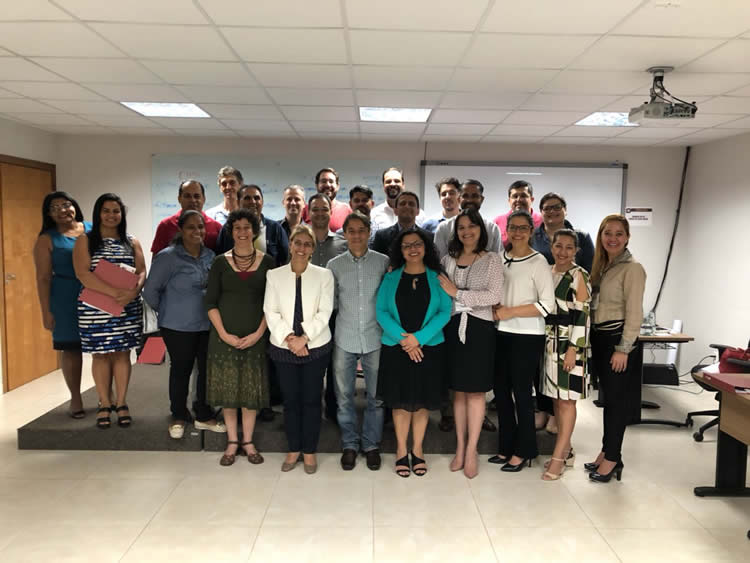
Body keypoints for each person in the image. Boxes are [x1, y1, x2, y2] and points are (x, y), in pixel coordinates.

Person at [143, 210, 226, 439]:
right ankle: (178, 415)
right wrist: (167, 310)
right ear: (180, 230)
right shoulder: (167, 257)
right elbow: (150, 291)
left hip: (206, 324)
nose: (197, 231)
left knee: (206, 371)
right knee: (181, 370)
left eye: (200, 227)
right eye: (191, 227)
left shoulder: (210, 256)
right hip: (177, 326)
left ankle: (203, 414)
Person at [376, 229, 451, 477]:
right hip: (396, 349)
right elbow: (381, 312)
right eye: (407, 245)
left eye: (417, 244)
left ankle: (417, 449)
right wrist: (405, 340)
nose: (413, 249)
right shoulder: (390, 277)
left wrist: (418, 338)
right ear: (400, 250)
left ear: (426, 247)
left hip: (429, 348)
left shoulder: (437, 277)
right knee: (399, 402)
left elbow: (445, 311)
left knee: (421, 402)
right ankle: (401, 449)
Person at [437, 209, 504, 479]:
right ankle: (460, 447)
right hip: (453, 328)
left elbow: (494, 295)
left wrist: (459, 294)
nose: (466, 231)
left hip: (479, 330)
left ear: (481, 230)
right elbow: (442, 295)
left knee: (476, 392)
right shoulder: (447, 259)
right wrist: (456, 297)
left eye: (471, 226)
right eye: (461, 227)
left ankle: (472, 450)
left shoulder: (492, 259)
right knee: (459, 392)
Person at [205, 209, 274, 467]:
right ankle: (232, 441)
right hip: (224, 338)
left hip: (256, 337)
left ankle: (248, 441)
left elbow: (273, 304)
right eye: (237, 228)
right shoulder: (219, 262)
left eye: (247, 227)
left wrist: (259, 333)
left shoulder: (268, 262)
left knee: (250, 392)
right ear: (231, 232)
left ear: (254, 231)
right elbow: (210, 302)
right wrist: (224, 334)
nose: (242, 232)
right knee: (229, 391)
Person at [265, 225, 334, 474]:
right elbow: (270, 311)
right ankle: (294, 448)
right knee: (291, 400)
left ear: (313, 248)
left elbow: (325, 312)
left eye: (307, 244)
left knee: (312, 400)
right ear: (291, 245)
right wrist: (290, 339)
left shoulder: (324, 275)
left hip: (315, 346)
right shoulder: (274, 275)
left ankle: (310, 450)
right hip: (284, 346)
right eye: (298, 243)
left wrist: (304, 338)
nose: (302, 248)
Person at [73, 193, 145, 429]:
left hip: (126, 307)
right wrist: (114, 293)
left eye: (116, 211)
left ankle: (121, 402)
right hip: (96, 309)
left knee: (123, 354)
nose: (111, 215)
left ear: (122, 214)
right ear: (98, 213)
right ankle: (104, 402)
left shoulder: (131, 241)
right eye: (106, 211)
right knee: (101, 355)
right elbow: (83, 273)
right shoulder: (85, 240)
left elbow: (141, 271)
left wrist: (134, 292)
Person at [491, 210, 554, 472]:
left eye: (523, 228)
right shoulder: (499, 258)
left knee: (522, 394)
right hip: (500, 332)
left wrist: (511, 311)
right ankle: (506, 447)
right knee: (501, 393)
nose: (517, 232)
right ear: (506, 230)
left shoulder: (538, 261)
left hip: (527, 336)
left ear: (531, 231)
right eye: (513, 227)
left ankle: (525, 450)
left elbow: (547, 305)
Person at [327, 212, 389, 471]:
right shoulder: (334, 265)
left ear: (369, 232)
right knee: (344, 397)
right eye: (351, 231)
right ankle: (350, 444)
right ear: (344, 234)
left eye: (361, 230)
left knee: (376, 397)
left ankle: (371, 445)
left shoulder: (383, 262)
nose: (356, 235)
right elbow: (331, 303)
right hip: (345, 336)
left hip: (375, 337)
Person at [586, 214, 645, 483]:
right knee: (608, 400)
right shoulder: (602, 266)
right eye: (607, 233)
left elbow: (634, 312)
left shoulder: (632, 268)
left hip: (617, 341)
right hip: (600, 339)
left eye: (619, 233)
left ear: (627, 237)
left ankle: (613, 458)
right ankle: (607, 452)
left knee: (617, 402)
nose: (612, 238)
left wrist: (623, 348)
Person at [33, 191, 91, 418]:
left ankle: (107, 397)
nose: (62, 210)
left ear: (74, 205)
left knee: (103, 348)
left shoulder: (92, 228)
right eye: (55, 208)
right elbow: (43, 278)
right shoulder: (46, 239)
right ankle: (75, 399)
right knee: (71, 348)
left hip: (97, 291)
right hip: (66, 297)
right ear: (48, 214)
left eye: (66, 205)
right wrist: (46, 312)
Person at [540, 229, 591, 481]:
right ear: (551, 247)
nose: (563, 252)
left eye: (569, 247)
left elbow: (583, 315)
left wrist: (574, 349)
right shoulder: (547, 271)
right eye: (558, 246)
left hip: (570, 343)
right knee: (556, 400)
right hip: (549, 342)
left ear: (576, 251)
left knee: (567, 401)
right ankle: (567, 450)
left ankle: (558, 458)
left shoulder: (579, 275)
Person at [307, 193, 348, 421]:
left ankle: (332, 410)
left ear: (331, 213)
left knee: (335, 365)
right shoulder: (300, 241)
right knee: (311, 365)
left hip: (335, 314)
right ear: (309, 212)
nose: (320, 213)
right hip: (308, 315)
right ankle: (311, 409)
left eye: (324, 209)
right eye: (315, 209)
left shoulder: (342, 243)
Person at [216, 184, 289, 267]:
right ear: (238, 202)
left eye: (257, 198)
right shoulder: (227, 229)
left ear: (262, 202)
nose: (253, 202)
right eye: (247, 198)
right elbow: (220, 260)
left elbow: (284, 261)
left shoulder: (275, 229)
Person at [150, 180, 223, 256]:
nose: (192, 200)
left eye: (197, 196)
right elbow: (157, 259)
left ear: (204, 199)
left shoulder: (216, 227)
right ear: (179, 199)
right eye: (187, 196)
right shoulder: (165, 226)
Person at [434, 179, 501, 259]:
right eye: (465, 196)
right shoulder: (443, 228)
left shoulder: (493, 229)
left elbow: (498, 260)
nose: (469, 200)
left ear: (482, 199)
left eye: (475, 196)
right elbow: (439, 261)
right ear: (458, 199)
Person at [532, 192, 595, 273]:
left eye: (557, 207)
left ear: (565, 210)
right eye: (547, 208)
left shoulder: (582, 236)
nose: (552, 211)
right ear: (541, 212)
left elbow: (591, 270)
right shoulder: (530, 237)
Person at [371, 191, 432, 255]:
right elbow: (377, 260)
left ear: (418, 211)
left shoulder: (429, 237)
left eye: (411, 204)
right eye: (402, 203)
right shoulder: (381, 236)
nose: (407, 206)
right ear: (395, 211)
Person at [370, 167, 426, 232]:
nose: (392, 184)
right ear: (383, 186)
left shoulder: (420, 215)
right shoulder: (374, 214)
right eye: (388, 181)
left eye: (397, 181)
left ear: (403, 185)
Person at [493, 180, 543, 248]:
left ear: (532, 199)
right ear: (509, 200)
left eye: (523, 196)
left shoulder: (542, 221)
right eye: (515, 196)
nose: (519, 200)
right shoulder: (498, 222)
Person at [300, 167, 352, 231]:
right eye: (323, 181)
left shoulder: (347, 210)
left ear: (337, 186)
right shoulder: (305, 210)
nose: (327, 185)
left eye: (331, 181)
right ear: (317, 185)